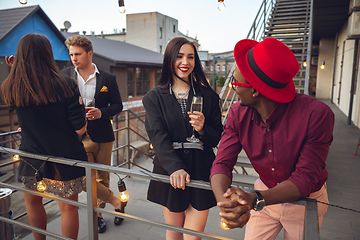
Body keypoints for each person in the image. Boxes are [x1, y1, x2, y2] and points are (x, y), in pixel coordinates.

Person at [210, 37, 334, 240]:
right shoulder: (236, 113)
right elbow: (222, 163)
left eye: (235, 83)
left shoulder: (317, 115)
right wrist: (226, 205)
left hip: (305, 201)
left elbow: (304, 179)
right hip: (262, 193)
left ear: (255, 90)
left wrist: (255, 199)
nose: (234, 89)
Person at [1, 33, 88, 240]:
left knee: (33, 203)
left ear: (20, 56)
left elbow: (27, 94)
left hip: (31, 157)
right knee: (68, 209)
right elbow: (80, 129)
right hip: (65, 158)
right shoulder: (66, 84)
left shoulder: (12, 86)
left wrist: (15, 70)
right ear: (48, 54)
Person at [142, 37, 223, 240]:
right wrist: (175, 167)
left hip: (201, 168)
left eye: (190, 57)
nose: (185, 62)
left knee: (192, 236)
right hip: (170, 170)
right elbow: (157, 136)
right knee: (175, 231)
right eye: (179, 56)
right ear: (169, 59)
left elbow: (217, 138)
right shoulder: (154, 97)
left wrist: (204, 129)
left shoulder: (209, 96)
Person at [62, 35, 123, 233]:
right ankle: (116, 202)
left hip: (104, 134)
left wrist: (101, 112)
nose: (74, 58)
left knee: (103, 177)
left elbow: (118, 105)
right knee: (88, 177)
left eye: (77, 54)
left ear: (89, 53)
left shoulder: (108, 78)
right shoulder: (64, 76)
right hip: (78, 138)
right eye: (71, 54)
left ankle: (99, 213)